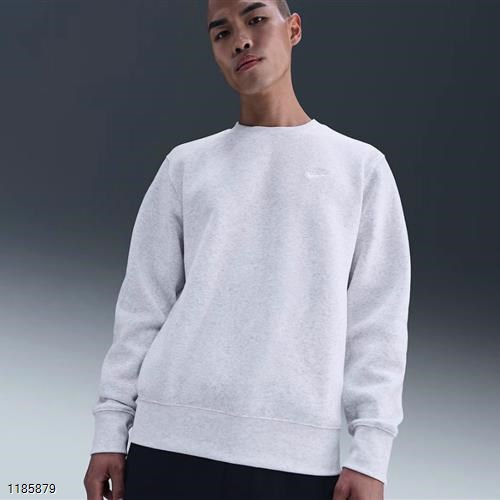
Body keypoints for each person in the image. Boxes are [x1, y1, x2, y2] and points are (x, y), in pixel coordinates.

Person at [83, 0, 411, 499]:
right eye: (221, 33)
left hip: (292, 458)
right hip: (166, 442)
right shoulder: (187, 166)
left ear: (293, 28)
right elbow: (142, 308)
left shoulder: (361, 168)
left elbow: (377, 325)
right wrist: (110, 428)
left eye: (256, 19)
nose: (240, 40)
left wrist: (371, 455)